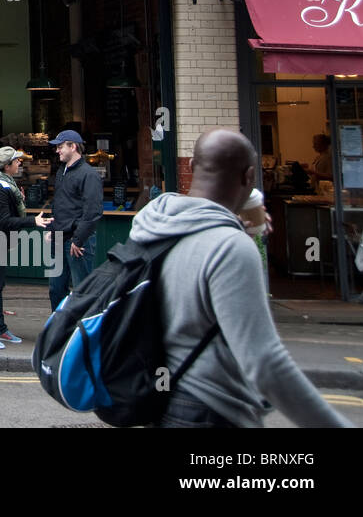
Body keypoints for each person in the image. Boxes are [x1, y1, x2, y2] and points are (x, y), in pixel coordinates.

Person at [131, 129, 350, 428]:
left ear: (193, 165)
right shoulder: (229, 247)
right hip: (212, 410)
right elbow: (265, 362)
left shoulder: (156, 226)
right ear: (249, 176)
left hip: (163, 401)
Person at [0, 147, 51, 349]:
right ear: (6, 166)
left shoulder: (5, 185)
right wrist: (32, 221)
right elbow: (5, 221)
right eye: (16, 161)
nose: (20, 164)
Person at [46, 129, 103, 311]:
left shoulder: (89, 174)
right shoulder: (62, 171)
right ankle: (59, 330)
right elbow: (60, 205)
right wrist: (52, 229)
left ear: (73, 146)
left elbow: (93, 212)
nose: (57, 151)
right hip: (60, 238)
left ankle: (83, 333)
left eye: (61, 147)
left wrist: (78, 239)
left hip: (78, 242)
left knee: (82, 291)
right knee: (55, 288)